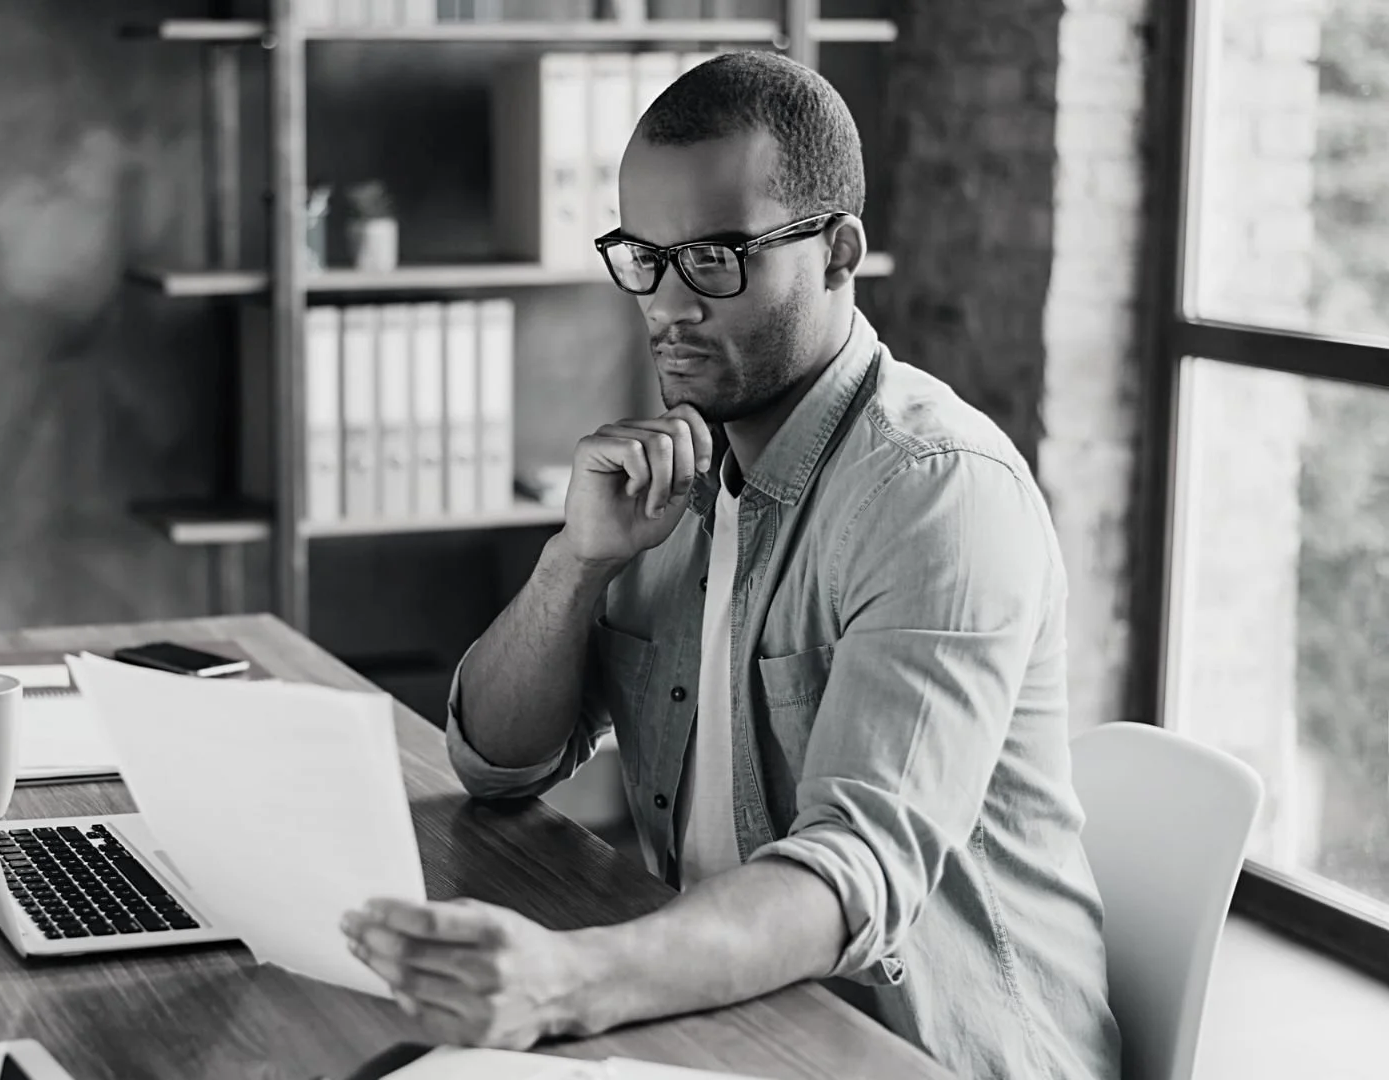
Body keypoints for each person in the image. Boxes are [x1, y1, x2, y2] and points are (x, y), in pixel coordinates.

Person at [339, 51, 1122, 1080]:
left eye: (714, 257)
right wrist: (577, 563)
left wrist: (568, 980)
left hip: (920, 1053)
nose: (666, 304)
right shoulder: (684, 466)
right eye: (642, 256)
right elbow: (497, 761)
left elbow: (853, 870)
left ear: (840, 253)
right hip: (723, 1028)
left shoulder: (938, 493)